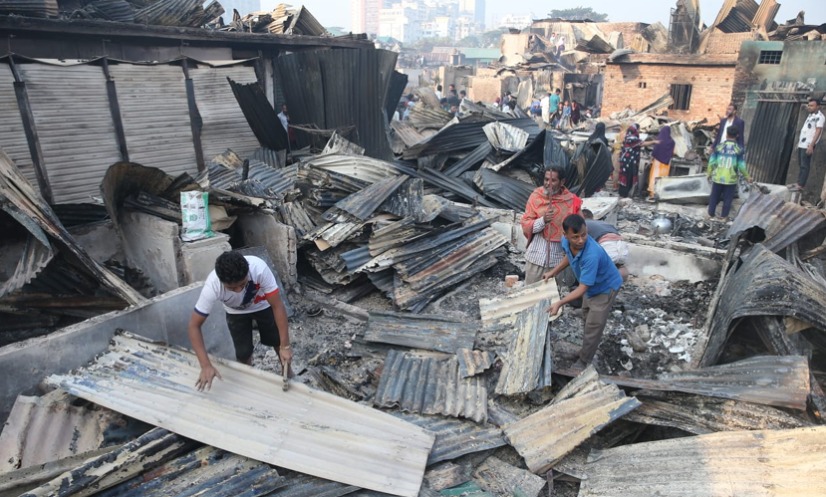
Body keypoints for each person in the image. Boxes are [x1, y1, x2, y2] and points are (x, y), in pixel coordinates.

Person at [188, 251, 291, 391]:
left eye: (243, 284)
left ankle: (287, 372)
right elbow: (194, 326)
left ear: (248, 273)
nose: (238, 291)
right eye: (231, 288)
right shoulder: (212, 285)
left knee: (276, 340)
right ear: (221, 281)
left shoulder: (259, 269)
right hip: (235, 312)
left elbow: (277, 306)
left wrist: (285, 346)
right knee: (243, 352)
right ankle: (247, 379)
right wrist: (205, 365)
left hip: (263, 305)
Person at [543, 214, 623, 369]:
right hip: (591, 286)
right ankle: (585, 350)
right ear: (565, 235)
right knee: (586, 316)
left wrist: (559, 303)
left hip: (605, 288)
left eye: (584, 235)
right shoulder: (565, 241)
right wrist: (553, 272)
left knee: (594, 325)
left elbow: (582, 288)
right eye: (575, 237)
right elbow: (569, 256)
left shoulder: (591, 254)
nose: (581, 240)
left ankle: (584, 360)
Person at [521, 167, 583, 285]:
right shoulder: (536, 196)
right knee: (532, 293)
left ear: (562, 182)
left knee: (553, 294)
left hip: (557, 261)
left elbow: (579, 228)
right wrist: (543, 220)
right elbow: (526, 224)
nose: (548, 183)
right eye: (546, 179)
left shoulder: (571, 200)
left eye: (553, 180)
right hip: (535, 258)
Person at [707, 126, 751, 219]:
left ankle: (710, 214)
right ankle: (724, 217)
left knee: (714, 197)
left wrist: (709, 173)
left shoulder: (719, 147)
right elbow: (741, 165)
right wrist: (747, 176)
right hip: (731, 179)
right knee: (727, 199)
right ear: (737, 135)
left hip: (718, 177)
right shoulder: (739, 150)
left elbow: (712, 162)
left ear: (726, 135)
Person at [582, 209, 629, 280]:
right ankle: (619, 279)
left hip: (607, 245)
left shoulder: (583, 224)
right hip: (621, 245)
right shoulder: (604, 223)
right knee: (619, 265)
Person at [791, 98, 824, 191]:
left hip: (808, 144)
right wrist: (799, 142)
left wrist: (811, 145)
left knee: (805, 165)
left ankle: (801, 185)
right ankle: (799, 182)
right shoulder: (810, 115)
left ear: (818, 106)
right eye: (809, 105)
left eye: (812, 106)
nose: (809, 107)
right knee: (801, 164)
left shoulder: (820, 117)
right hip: (802, 143)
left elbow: (818, 131)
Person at [647, 126, 676, 200]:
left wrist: (652, 158)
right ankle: (660, 193)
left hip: (657, 162)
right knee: (663, 177)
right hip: (666, 163)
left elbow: (655, 151)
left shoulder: (659, 140)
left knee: (654, 176)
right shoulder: (672, 142)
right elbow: (672, 153)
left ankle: (652, 193)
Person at [618, 124, 643, 198]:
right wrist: (654, 142)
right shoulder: (632, 138)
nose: (638, 131)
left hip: (626, 160)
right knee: (628, 175)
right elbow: (641, 144)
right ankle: (625, 193)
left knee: (625, 175)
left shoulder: (627, 136)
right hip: (629, 160)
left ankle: (623, 192)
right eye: (638, 129)